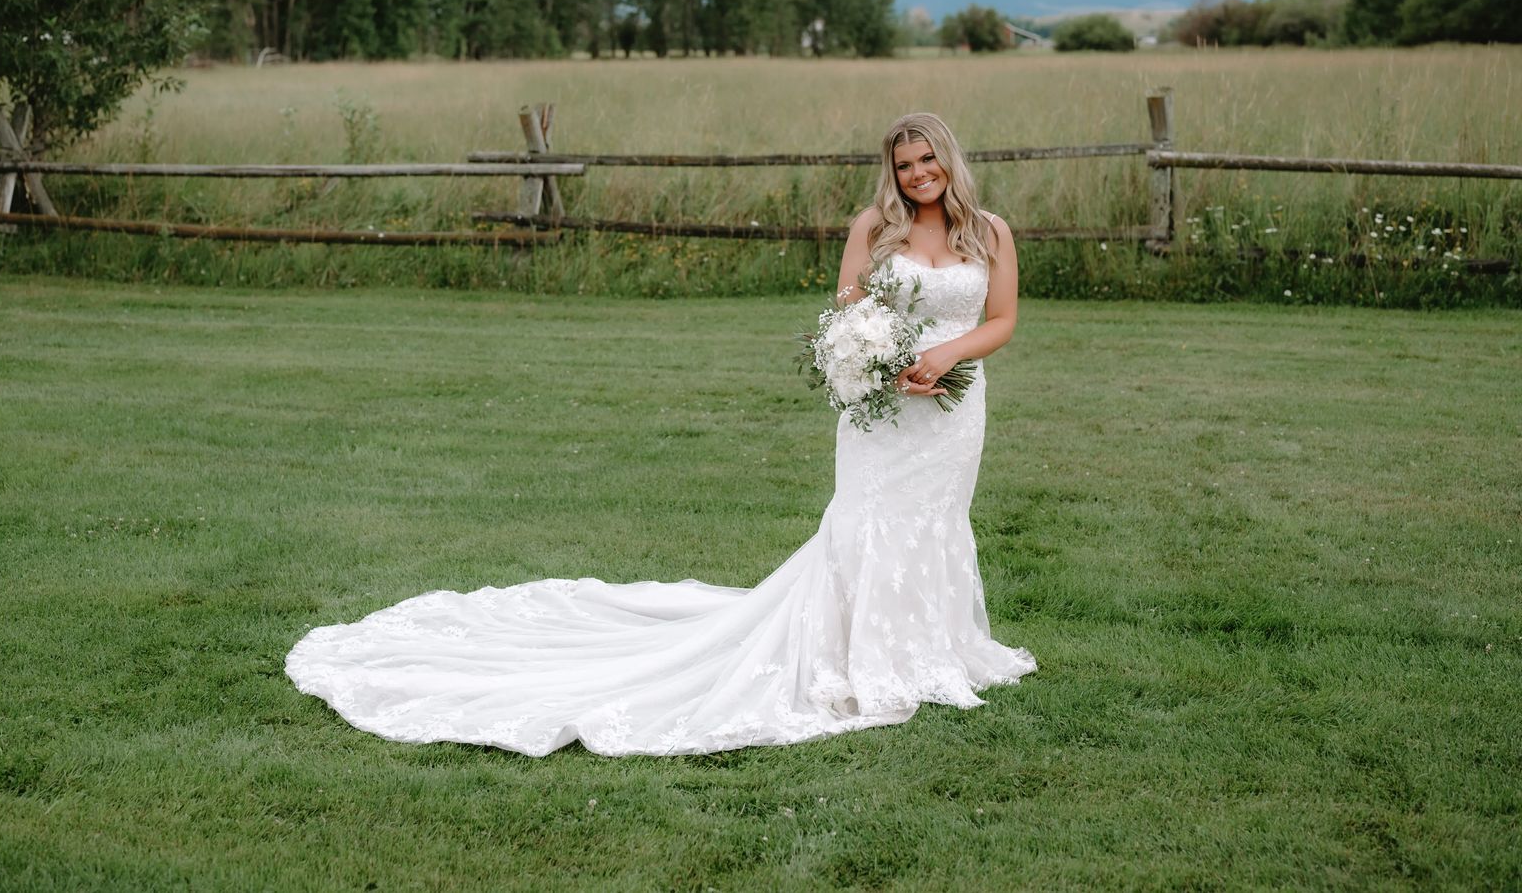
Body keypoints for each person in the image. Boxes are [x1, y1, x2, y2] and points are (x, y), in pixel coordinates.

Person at [285, 111, 1036, 756]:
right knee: (865, 519)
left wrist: (946, 355)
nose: (918, 174)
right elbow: (848, 306)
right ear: (891, 172)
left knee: (934, 519)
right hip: (883, 404)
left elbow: (1000, 320)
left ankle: (930, 649)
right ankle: (860, 657)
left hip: (952, 411)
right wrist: (886, 362)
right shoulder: (875, 226)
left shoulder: (989, 232)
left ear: (948, 158)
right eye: (904, 165)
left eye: (927, 159)